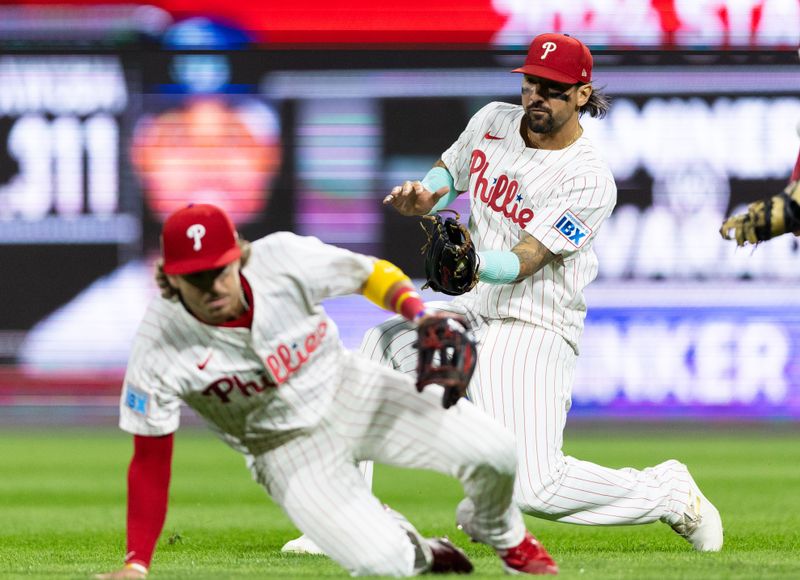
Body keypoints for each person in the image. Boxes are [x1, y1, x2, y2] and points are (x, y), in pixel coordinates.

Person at [284, 32, 723, 556]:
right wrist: (425, 194)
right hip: (473, 313)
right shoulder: (493, 121)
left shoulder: (589, 178)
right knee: (379, 348)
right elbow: (451, 169)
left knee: (534, 486)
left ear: (582, 94)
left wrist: (474, 266)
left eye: (554, 88)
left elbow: (529, 257)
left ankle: (669, 493)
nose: (537, 96)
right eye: (532, 83)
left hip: (534, 327)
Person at [95, 203, 559, 578]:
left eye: (218, 270)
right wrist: (136, 563)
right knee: (385, 564)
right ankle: (419, 551)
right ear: (169, 278)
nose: (210, 286)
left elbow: (369, 274)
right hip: (285, 453)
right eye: (193, 278)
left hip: (350, 389)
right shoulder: (158, 344)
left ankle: (501, 531)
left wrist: (421, 315)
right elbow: (150, 459)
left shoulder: (281, 259)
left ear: (238, 255)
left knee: (495, 450)